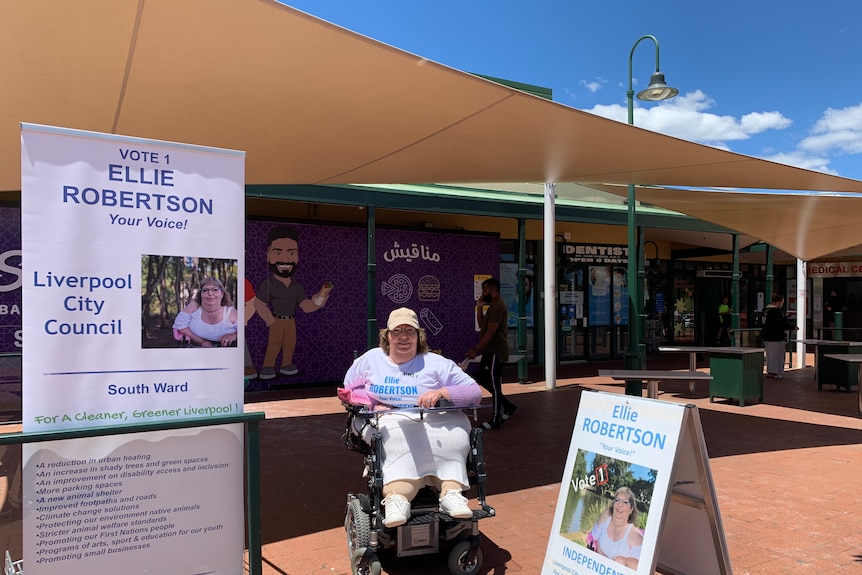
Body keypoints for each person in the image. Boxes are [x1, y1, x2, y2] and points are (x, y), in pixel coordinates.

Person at [340, 308, 482, 528]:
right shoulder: (371, 359)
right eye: (397, 331)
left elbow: (474, 392)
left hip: (430, 417)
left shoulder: (436, 363)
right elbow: (348, 391)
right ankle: (397, 497)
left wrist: (443, 393)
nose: (403, 336)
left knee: (457, 429)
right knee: (395, 435)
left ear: (419, 336)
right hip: (386, 416)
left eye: (410, 331)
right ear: (387, 336)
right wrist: (372, 403)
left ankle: (451, 492)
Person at [254, 225, 333, 379]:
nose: (285, 258)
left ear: (297, 256)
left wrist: (322, 295)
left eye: (291, 253)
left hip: (291, 321)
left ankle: (286, 364)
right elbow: (259, 304)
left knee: (290, 344)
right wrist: (270, 320)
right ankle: (268, 367)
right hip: (276, 320)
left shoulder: (297, 287)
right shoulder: (268, 284)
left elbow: (307, 306)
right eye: (278, 252)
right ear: (268, 255)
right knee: (274, 344)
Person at [467, 277, 516, 430]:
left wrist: (476, 349)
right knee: (481, 377)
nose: (482, 293)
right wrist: (480, 308)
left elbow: (491, 332)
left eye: (484, 289)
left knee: (494, 384)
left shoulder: (497, 307)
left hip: (496, 351)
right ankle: (508, 406)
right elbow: (483, 325)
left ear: (492, 290)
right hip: (489, 351)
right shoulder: (492, 306)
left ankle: (495, 420)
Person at [172, 277, 238, 347]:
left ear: (222, 294)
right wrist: (202, 342)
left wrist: (234, 335)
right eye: (205, 290)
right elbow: (180, 326)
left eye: (215, 290)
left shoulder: (231, 313)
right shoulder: (194, 307)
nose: (210, 293)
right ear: (201, 294)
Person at [589, 487, 643, 570]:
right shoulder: (606, 515)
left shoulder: (635, 535)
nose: (620, 504)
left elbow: (642, 566)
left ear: (631, 509)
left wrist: (626, 561)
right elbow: (593, 536)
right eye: (617, 500)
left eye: (625, 502)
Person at [761, 293, 797, 378]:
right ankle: (775, 372)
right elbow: (780, 323)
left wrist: (784, 316)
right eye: (782, 302)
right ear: (778, 302)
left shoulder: (765, 310)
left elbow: (769, 321)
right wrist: (792, 327)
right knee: (777, 355)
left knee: (770, 355)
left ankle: (770, 371)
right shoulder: (776, 311)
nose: (782, 304)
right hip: (777, 336)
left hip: (767, 336)